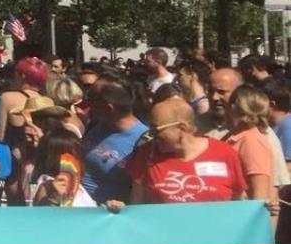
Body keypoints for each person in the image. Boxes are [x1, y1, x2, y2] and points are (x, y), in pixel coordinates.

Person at [111, 96, 247, 209]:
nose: (152, 135)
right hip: (166, 239)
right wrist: (120, 209)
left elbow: (238, 206)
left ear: (181, 128)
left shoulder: (225, 154)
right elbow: (136, 207)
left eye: (156, 129)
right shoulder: (146, 154)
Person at [222, 87, 284, 223]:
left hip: (244, 220)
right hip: (231, 213)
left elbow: (260, 194)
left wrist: (253, 228)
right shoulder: (234, 137)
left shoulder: (251, 140)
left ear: (235, 107)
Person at [81, 81, 148, 204]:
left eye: (94, 104)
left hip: (107, 212)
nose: (90, 108)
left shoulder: (143, 140)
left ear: (109, 108)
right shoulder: (96, 125)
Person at [26, 129, 95, 207]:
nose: (79, 160)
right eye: (74, 155)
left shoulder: (75, 184)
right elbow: (46, 215)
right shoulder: (48, 186)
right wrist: (54, 199)